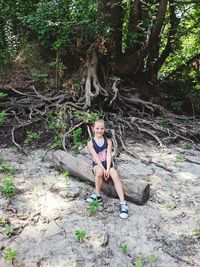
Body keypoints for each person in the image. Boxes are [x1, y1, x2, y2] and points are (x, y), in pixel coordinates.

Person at [86, 119, 128, 219]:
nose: (99, 130)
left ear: (104, 129)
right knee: (100, 172)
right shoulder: (90, 143)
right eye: (97, 128)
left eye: (101, 128)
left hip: (107, 165)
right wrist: (103, 169)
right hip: (97, 165)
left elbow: (109, 155)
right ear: (93, 129)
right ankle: (97, 196)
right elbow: (96, 157)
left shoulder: (108, 141)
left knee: (115, 174)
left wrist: (108, 169)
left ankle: (123, 203)